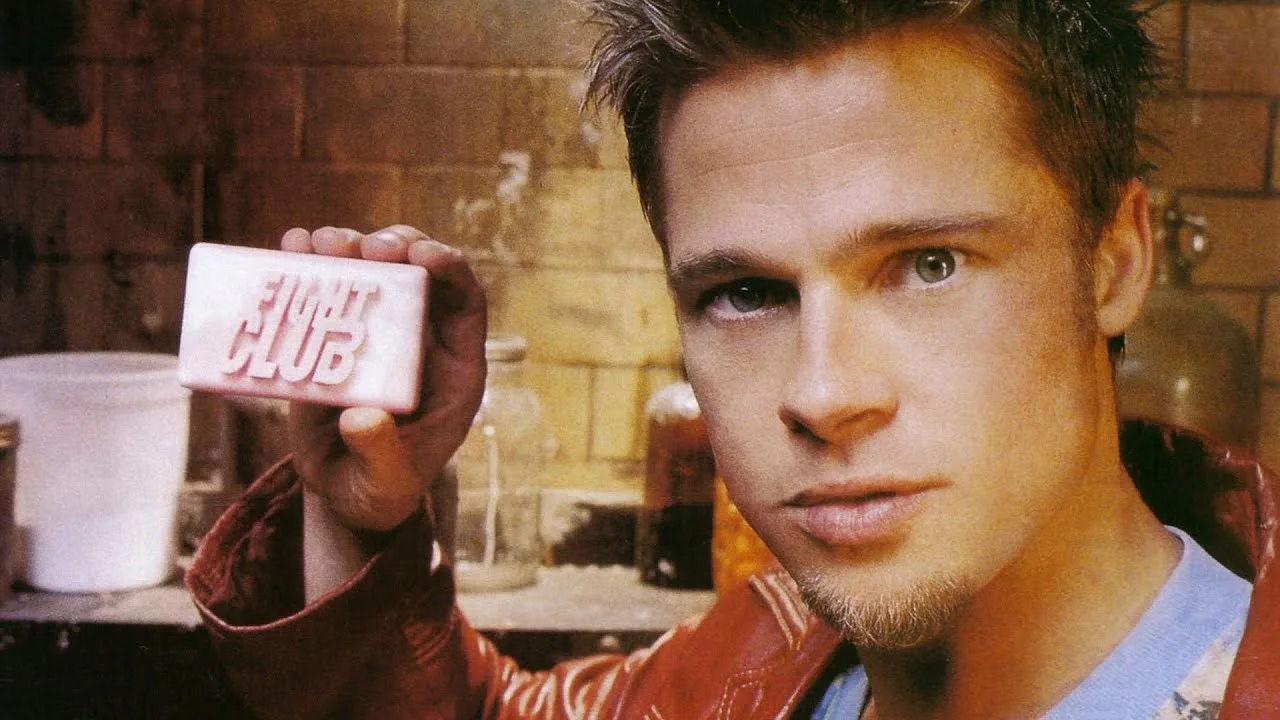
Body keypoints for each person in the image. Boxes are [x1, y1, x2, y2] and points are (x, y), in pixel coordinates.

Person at [187, 1, 1280, 718]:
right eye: (746, 293)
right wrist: (359, 511)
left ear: (1114, 262)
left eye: (928, 265)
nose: (823, 394)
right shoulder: (757, 658)